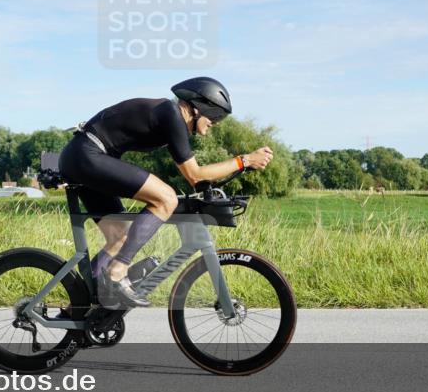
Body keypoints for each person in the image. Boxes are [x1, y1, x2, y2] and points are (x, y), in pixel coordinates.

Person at [57, 77, 273, 308]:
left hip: (84, 157)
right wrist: (245, 160)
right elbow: (195, 175)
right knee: (165, 198)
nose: (215, 125)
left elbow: (197, 180)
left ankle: (81, 307)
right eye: (216, 117)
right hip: (88, 155)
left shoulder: (169, 116)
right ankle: (118, 271)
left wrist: (208, 188)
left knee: (118, 237)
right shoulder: (170, 114)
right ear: (200, 106)